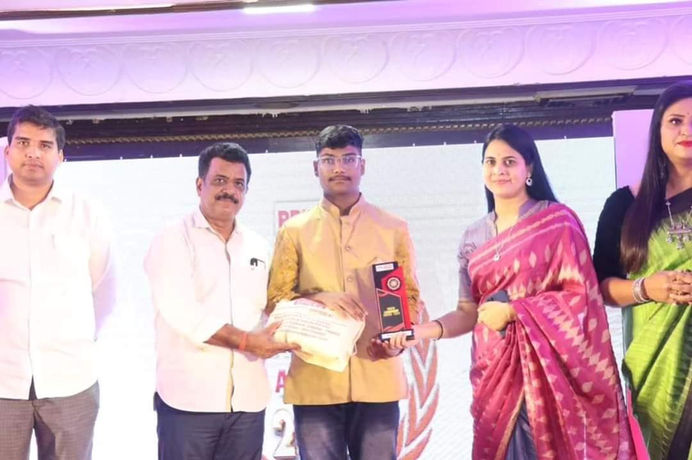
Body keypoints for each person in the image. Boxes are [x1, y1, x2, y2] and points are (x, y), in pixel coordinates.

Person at [392, 124, 634, 459]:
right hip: (493, 372)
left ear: (529, 167)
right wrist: (421, 331)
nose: (499, 170)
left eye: (509, 162)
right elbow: (467, 312)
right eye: (490, 162)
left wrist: (514, 311)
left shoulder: (557, 222)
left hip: (550, 372)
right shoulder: (472, 236)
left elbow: (582, 298)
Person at [266, 125, 424, 460]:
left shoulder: (392, 227)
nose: (339, 168)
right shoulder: (294, 231)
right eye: (329, 160)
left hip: (378, 374)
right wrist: (320, 299)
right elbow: (275, 302)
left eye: (348, 159)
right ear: (316, 168)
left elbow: (409, 297)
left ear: (362, 165)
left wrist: (397, 342)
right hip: (315, 380)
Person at [144, 142, 298, 460]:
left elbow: (275, 304)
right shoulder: (172, 239)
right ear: (199, 185)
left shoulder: (258, 245)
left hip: (248, 401)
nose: (229, 190)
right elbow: (182, 312)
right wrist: (247, 341)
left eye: (238, 184)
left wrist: (317, 311)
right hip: (188, 402)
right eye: (220, 181)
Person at [0, 105, 116, 459]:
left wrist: (76, 340)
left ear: (61, 156)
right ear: (7, 151)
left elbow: (104, 289)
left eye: (45, 145)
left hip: (71, 379)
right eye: (23, 143)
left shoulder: (86, 212)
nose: (33, 153)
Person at [593, 80, 692, 460]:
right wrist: (647, 288)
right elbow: (599, 287)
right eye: (675, 121)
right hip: (654, 367)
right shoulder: (624, 204)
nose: (686, 130)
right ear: (658, 131)